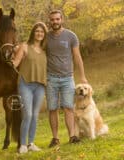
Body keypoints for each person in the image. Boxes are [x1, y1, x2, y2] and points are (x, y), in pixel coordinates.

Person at [46, 10, 88, 147]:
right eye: (52, 20)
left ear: (62, 19)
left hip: (67, 78)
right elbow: (34, 49)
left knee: (69, 108)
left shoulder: (71, 36)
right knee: (52, 109)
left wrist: (82, 76)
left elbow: (77, 57)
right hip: (51, 79)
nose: (55, 22)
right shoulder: (45, 37)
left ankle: (72, 136)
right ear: (49, 21)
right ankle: (55, 138)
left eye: (57, 19)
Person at [12, 22, 47, 153]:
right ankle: (22, 145)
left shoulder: (45, 50)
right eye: (37, 31)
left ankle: (31, 143)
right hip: (25, 84)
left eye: (42, 32)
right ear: (33, 32)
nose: (39, 33)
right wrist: (9, 59)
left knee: (35, 115)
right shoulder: (25, 46)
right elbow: (15, 63)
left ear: (44, 35)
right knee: (28, 114)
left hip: (40, 86)